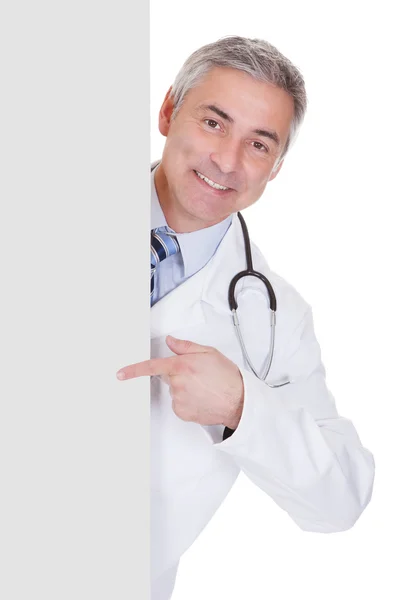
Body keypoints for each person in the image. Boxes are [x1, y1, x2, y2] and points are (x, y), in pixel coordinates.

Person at [116, 36, 375, 600]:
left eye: (259, 144)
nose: (227, 162)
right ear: (167, 112)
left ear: (276, 167)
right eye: (213, 123)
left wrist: (241, 406)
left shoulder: (275, 321)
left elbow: (343, 497)